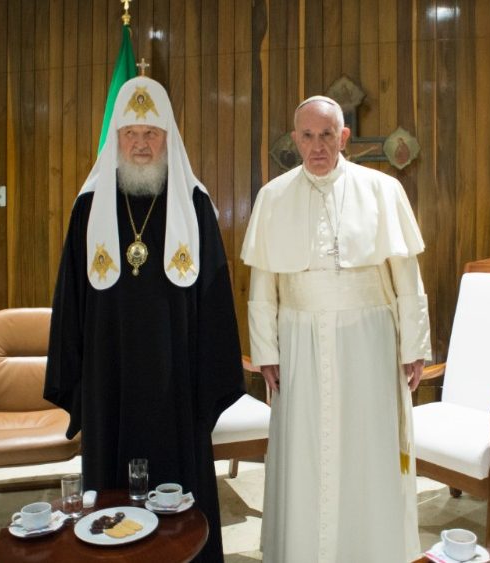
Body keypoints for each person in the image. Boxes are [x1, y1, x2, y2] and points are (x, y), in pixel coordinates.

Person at [44, 75, 244, 563]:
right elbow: (70, 298)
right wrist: (75, 376)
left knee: (180, 478)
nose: (140, 143)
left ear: (168, 138)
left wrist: (210, 379)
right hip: (107, 375)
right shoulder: (89, 207)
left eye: (150, 133)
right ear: (116, 139)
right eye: (130, 133)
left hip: (177, 377)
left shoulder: (194, 205)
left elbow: (215, 299)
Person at [241, 95, 432, 562]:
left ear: (343, 137)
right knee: (305, 452)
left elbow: (407, 278)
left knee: (367, 449)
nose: (317, 146)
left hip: (369, 342)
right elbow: (263, 286)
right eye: (307, 136)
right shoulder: (273, 197)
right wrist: (266, 352)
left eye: (327, 135)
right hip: (299, 342)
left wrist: (413, 345)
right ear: (295, 140)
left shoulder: (383, 190)